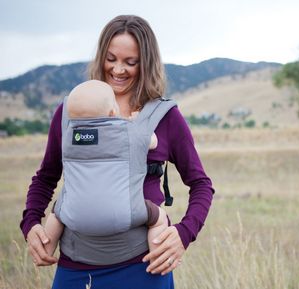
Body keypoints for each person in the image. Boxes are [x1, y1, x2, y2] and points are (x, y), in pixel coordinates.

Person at [20, 15, 214, 289]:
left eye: (130, 62)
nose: (118, 70)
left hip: (143, 264)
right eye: (111, 58)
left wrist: (184, 233)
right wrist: (31, 225)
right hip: (76, 266)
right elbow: (46, 177)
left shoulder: (165, 117)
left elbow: (201, 184)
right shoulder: (72, 112)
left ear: (145, 63)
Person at [43, 79, 165, 258]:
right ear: (112, 111)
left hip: (73, 215)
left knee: (56, 213)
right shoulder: (129, 133)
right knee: (158, 218)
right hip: (123, 215)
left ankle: (46, 249)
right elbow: (153, 142)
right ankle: (156, 257)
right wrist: (135, 124)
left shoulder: (68, 137)